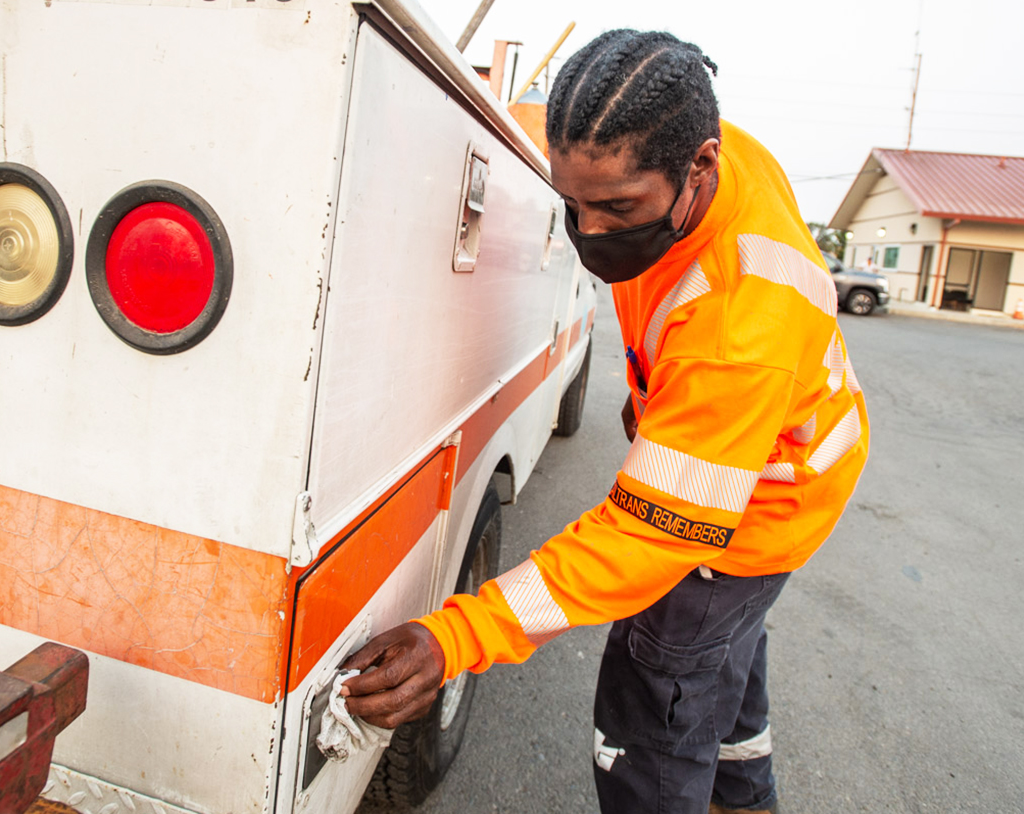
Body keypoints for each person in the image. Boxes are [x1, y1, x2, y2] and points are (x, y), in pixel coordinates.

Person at [341, 29, 869, 814]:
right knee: (725, 664)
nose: (588, 232)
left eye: (617, 208)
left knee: (655, 708)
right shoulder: (711, 156)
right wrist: (664, 395)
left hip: (756, 508)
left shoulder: (740, 333)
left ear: (701, 167)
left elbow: (646, 539)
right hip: (783, 455)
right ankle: (746, 799)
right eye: (572, 203)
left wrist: (455, 637)